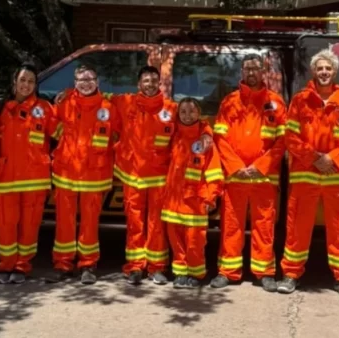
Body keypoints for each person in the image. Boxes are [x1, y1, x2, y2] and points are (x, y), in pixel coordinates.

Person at [112, 66, 213, 285]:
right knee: (134, 223)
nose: (149, 84)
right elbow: (98, 100)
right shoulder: (124, 102)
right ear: (139, 84)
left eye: (154, 80)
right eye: (145, 80)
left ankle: (157, 267)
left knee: (156, 224)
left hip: (160, 178)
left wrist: (207, 134)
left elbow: (193, 123)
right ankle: (135, 267)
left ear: (160, 84)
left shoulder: (170, 108)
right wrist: (67, 95)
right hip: (132, 176)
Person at [277, 49, 339, 299]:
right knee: (297, 227)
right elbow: (291, 137)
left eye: (328, 68)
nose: (324, 72)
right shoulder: (300, 100)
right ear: (313, 71)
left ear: (334, 71)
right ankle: (291, 274)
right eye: (320, 68)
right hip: (306, 173)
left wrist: (331, 159)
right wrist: (315, 158)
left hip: (337, 175)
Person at [209, 54, 287, 292]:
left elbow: (283, 141)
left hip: (264, 177)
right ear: (241, 73)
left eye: (256, 69)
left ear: (264, 71)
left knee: (264, 226)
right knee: (231, 225)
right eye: (247, 69)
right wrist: (236, 167)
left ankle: (264, 272)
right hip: (236, 177)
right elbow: (220, 138)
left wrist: (260, 166)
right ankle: (228, 271)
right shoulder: (229, 102)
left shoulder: (275, 102)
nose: (251, 73)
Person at [48, 63, 116, 285]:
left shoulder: (109, 106)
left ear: (97, 82)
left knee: (89, 223)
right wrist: (64, 141)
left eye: (90, 79)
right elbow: (51, 124)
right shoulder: (64, 102)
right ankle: (63, 263)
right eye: (81, 80)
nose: (86, 84)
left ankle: (88, 264)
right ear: (74, 83)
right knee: (64, 222)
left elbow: (119, 134)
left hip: (94, 175)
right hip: (66, 173)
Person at [0, 64, 55, 284]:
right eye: (22, 80)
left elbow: (63, 134)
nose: (26, 85)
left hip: (34, 179)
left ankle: (21, 267)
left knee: (29, 227)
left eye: (30, 81)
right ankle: (5, 266)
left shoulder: (45, 108)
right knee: (6, 225)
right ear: (14, 82)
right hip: (6, 178)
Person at [160, 98, 223, 288]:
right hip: (173, 200)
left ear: (200, 114)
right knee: (176, 240)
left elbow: (214, 171)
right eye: (183, 112)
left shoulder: (205, 141)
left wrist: (211, 196)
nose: (188, 116)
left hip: (195, 202)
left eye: (192, 111)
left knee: (195, 242)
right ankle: (180, 273)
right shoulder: (173, 135)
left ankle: (196, 274)